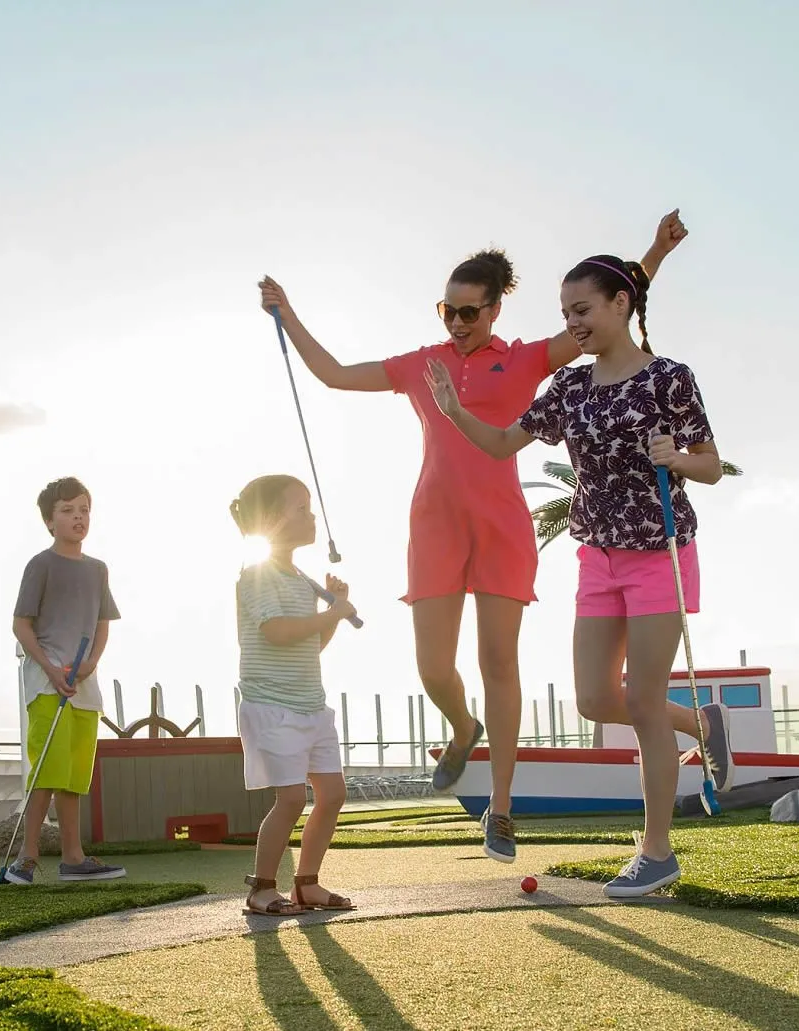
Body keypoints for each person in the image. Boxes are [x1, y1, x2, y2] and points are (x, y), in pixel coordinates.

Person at [256, 210, 689, 863]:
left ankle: (501, 806)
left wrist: (655, 252)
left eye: (467, 313)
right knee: (433, 666)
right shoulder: (417, 363)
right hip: (431, 523)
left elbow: (606, 306)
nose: (455, 324)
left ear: (491, 312)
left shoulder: (524, 362)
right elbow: (334, 374)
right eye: (446, 311)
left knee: (497, 662)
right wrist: (286, 313)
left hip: (500, 525)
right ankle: (462, 725)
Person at [423, 252, 734, 898]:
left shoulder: (667, 379)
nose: (573, 323)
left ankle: (655, 851)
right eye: (565, 314)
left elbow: (708, 463)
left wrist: (673, 455)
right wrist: (453, 410)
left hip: (659, 553)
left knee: (642, 699)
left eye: (582, 310)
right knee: (594, 697)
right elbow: (504, 442)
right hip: (596, 557)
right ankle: (700, 724)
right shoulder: (569, 389)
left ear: (620, 305)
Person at [230, 474, 358, 916]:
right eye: (300, 508)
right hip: (272, 705)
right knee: (290, 799)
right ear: (271, 520)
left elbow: (309, 644)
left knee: (333, 794)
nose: (311, 515)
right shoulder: (258, 573)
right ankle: (262, 888)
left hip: (311, 705)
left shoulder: (301, 580)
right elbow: (278, 632)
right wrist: (334, 612)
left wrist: (332, 615)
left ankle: (307, 884)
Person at [6, 476, 128, 884]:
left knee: (75, 773)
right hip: (46, 680)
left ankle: (74, 858)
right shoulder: (40, 564)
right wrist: (50, 667)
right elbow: (21, 626)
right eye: (68, 511)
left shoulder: (98, 570)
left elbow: (101, 624)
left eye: (84, 510)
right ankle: (26, 856)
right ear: (49, 521)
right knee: (47, 769)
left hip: (83, 684)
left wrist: (92, 661)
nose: (78, 518)